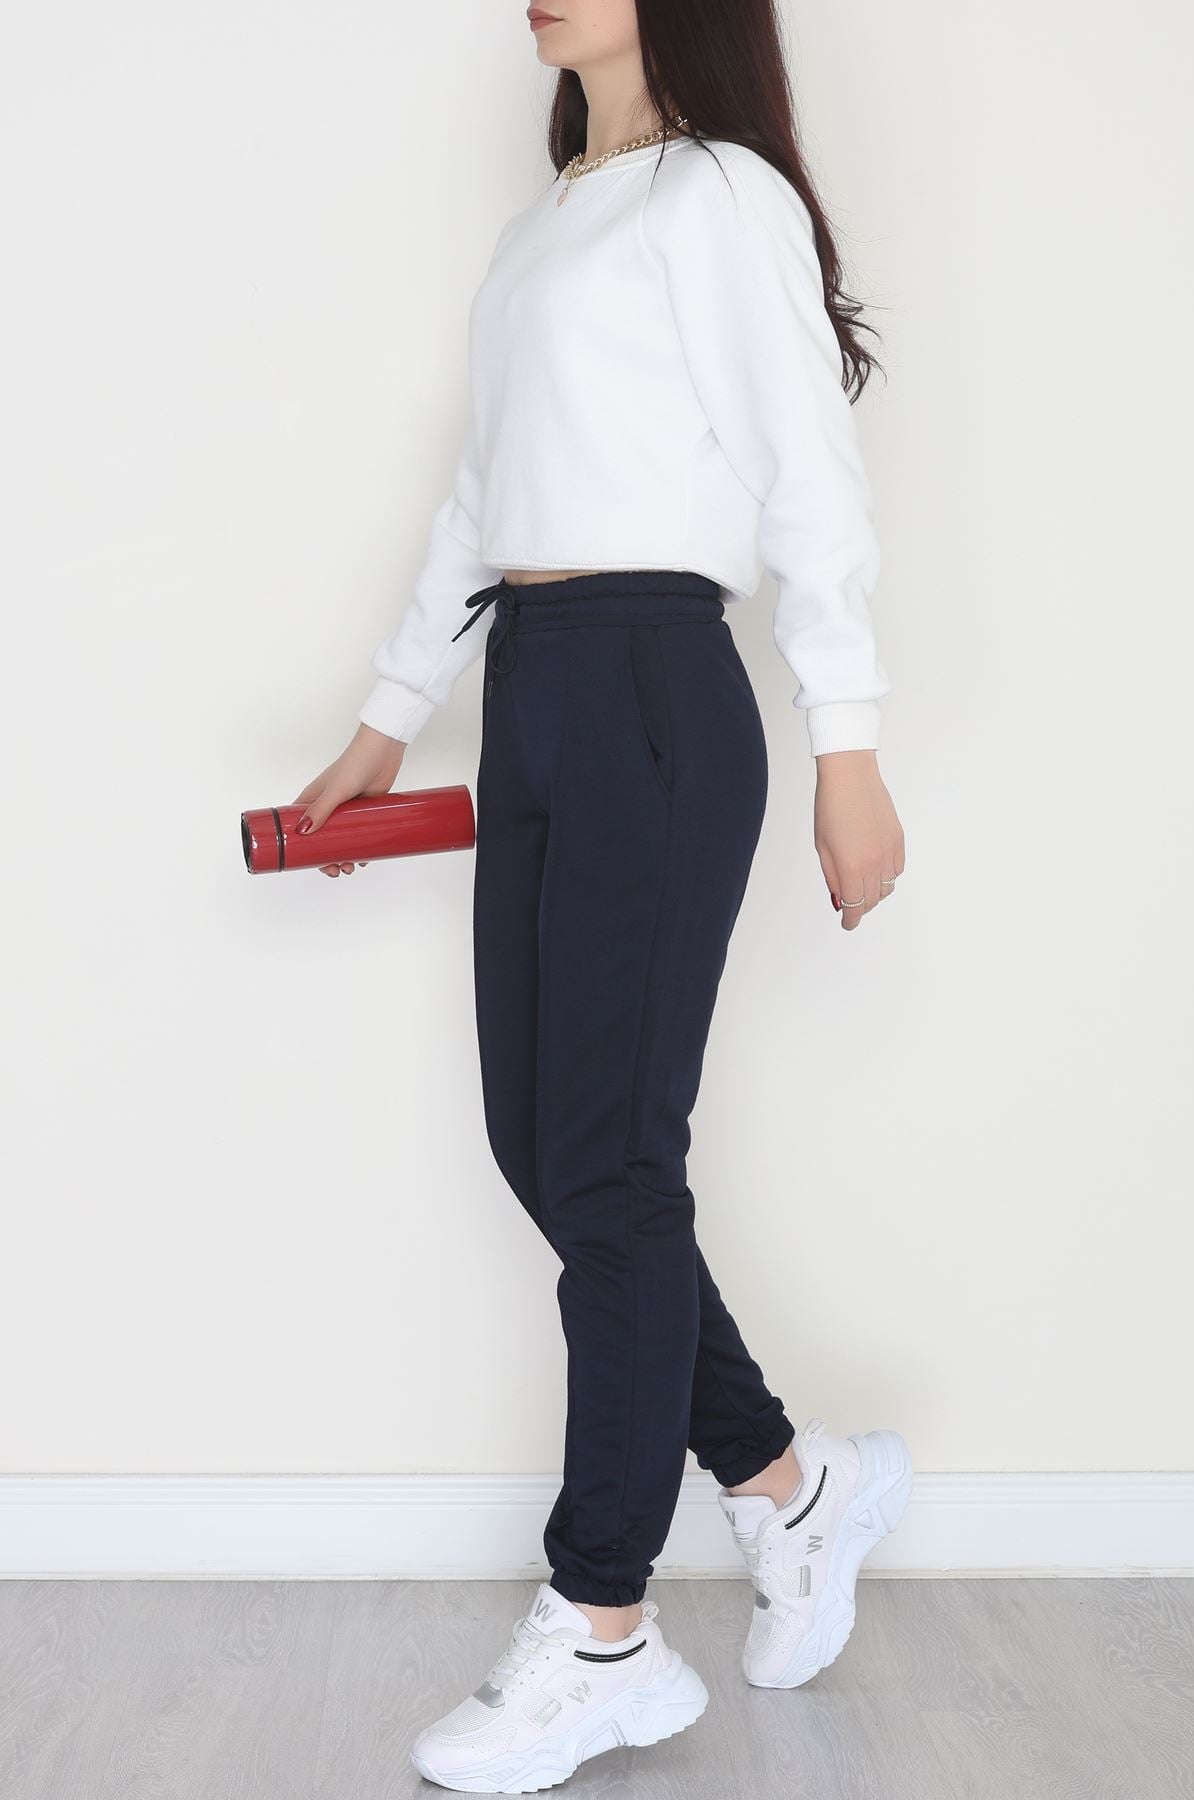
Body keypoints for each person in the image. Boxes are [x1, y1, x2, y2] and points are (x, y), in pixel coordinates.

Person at [294, 1, 911, 1790]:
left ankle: (605, 1629)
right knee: (548, 1145)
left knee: (614, 1160)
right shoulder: (547, 223)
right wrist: (387, 718)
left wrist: (849, 742)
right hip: (537, 689)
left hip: (656, 682)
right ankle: (789, 1486)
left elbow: (809, 468)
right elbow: (481, 495)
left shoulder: (721, 193)